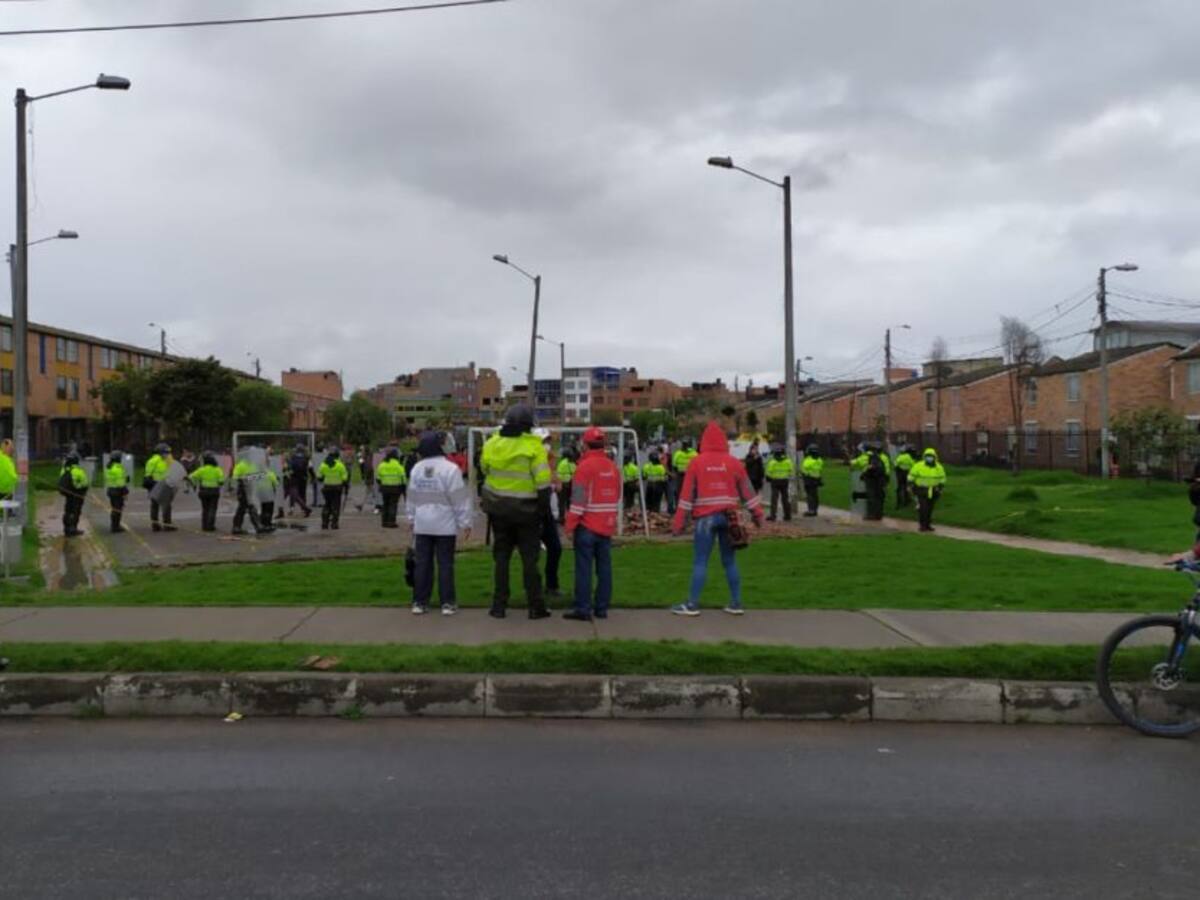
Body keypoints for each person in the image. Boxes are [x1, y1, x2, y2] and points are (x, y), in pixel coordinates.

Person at [671, 422, 763, 616]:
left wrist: (678, 523)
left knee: (700, 562)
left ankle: (692, 604)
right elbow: (748, 491)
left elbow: (686, 496)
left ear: (703, 441)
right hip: (730, 518)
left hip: (705, 518)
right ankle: (736, 603)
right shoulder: (734, 463)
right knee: (729, 561)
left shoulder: (696, 462)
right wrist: (758, 515)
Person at [480, 404, 553, 620]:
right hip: (526, 513)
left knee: (501, 559)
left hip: (498, 511)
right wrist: (542, 511)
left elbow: (484, 469)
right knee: (530, 560)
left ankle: (498, 606)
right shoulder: (534, 446)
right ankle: (535, 606)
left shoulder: (492, 443)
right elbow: (543, 483)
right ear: (528, 426)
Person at [406, 431, 473, 615]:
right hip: (445, 525)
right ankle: (447, 603)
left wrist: (411, 518)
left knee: (422, 564)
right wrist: (465, 522)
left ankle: (419, 602)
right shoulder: (450, 469)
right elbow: (459, 498)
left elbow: (411, 497)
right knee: (445, 564)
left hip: (422, 524)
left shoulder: (417, 469)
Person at [564, 426, 620, 621]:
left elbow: (578, 500)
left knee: (584, 569)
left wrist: (570, 525)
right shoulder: (612, 467)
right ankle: (602, 607)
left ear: (585, 444)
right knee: (605, 567)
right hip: (606, 524)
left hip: (587, 525)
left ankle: (583, 608)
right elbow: (618, 495)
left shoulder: (584, 467)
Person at [536, 429, 563, 601]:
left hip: (547, 512)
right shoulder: (533, 461)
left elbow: (557, 484)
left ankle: (551, 585)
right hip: (533, 511)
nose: (548, 445)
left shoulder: (550, 463)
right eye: (544, 441)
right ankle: (535, 588)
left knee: (555, 548)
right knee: (532, 552)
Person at [908, 447, 947, 532]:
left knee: (930, 508)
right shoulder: (918, 466)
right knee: (923, 508)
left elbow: (942, 478)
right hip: (921, 490)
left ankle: (928, 525)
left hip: (933, 490)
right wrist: (910, 485)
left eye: (931, 456)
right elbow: (911, 476)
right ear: (924, 457)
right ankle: (922, 525)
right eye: (927, 456)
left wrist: (940, 487)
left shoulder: (939, 467)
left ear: (935, 457)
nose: (929, 458)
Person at [231, 449, 265, 535]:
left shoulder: (251, 465)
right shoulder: (241, 466)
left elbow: (258, 476)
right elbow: (236, 478)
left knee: (244, 508)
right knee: (246, 508)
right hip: (243, 489)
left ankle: (237, 527)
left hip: (250, 489)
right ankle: (257, 525)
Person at [190, 452, 225, 532]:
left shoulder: (201, 470)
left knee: (205, 508)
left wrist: (195, 484)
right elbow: (221, 481)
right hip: (214, 491)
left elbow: (191, 477)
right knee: (212, 508)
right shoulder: (217, 470)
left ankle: (204, 525)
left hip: (203, 491)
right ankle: (210, 525)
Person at [855, 441, 891, 521]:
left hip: (872, 479)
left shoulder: (871, 457)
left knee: (871, 496)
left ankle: (871, 515)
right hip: (882, 478)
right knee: (880, 497)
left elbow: (869, 467)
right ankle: (879, 514)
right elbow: (886, 468)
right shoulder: (883, 457)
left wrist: (864, 474)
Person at [58, 452, 89, 537]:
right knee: (75, 512)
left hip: (68, 495)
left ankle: (66, 528)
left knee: (68, 511)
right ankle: (73, 529)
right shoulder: (78, 471)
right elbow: (84, 483)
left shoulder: (64, 469)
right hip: (77, 495)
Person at [317, 448, 349, 530]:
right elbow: (345, 478)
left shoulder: (323, 464)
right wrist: (346, 487)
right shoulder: (340, 465)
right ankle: (334, 524)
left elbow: (319, 477)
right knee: (336, 506)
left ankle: (324, 523)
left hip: (327, 487)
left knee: (327, 505)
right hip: (337, 488)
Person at [376, 447, 408, 529]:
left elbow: (378, 477)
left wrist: (382, 483)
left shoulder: (382, 465)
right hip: (395, 488)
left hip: (384, 487)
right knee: (393, 505)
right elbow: (403, 478)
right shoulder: (398, 466)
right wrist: (404, 488)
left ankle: (384, 522)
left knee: (385, 504)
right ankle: (391, 522)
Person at [144, 442, 172, 532]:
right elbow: (148, 475)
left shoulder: (166, 461)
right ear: (160, 452)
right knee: (162, 506)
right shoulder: (153, 461)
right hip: (156, 485)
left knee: (158, 506)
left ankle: (156, 525)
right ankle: (164, 525)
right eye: (166, 452)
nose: (167, 454)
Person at [765, 445, 794, 522]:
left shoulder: (772, 462)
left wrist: (770, 478)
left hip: (775, 481)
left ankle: (773, 516)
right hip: (784, 481)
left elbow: (768, 473)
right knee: (785, 499)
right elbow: (791, 471)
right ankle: (787, 515)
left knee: (774, 499)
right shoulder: (788, 461)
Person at [104, 451, 130, 533]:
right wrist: (125, 492)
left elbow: (115, 479)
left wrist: (124, 479)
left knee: (114, 508)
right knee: (118, 509)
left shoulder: (109, 467)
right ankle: (115, 526)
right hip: (117, 491)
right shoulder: (118, 468)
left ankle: (114, 525)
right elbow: (120, 483)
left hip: (111, 489)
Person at [286, 444, 311, 517]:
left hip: (294, 478)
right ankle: (303, 509)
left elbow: (289, 468)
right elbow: (310, 468)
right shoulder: (306, 458)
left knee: (293, 494)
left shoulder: (292, 458)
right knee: (303, 493)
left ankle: (291, 508)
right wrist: (312, 476)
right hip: (303, 478)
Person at [671, 439, 698, 507]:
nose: (685, 446)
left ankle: (692, 506)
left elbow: (698, 464)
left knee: (692, 492)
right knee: (678, 491)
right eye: (684, 445)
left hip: (691, 476)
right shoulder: (678, 454)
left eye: (687, 445)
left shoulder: (694, 453)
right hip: (680, 475)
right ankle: (679, 506)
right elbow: (674, 465)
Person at [800, 444, 824, 517]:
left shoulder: (808, 460)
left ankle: (811, 510)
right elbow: (820, 469)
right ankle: (815, 510)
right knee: (815, 495)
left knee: (810, 495)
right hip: (817, 478)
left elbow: (803, 469)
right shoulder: (819, 460)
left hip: (809, 479)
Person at [555, 447, 577, 526]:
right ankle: (571, 519)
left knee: (561, 502)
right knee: (569, 503)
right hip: (572, 485)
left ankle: (561, 519)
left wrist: (558, 485)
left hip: (563, 485)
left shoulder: (562, 463)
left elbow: (559, 475)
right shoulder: (573, 463)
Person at [894, 444, 915, 508]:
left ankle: (899, 502)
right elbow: (913, 465)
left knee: (899, 488)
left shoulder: (900, 457)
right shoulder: (910, 457)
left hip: (900, 473)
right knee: (907, 487)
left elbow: (896, 464)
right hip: (908, 473)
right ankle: (907, 501)